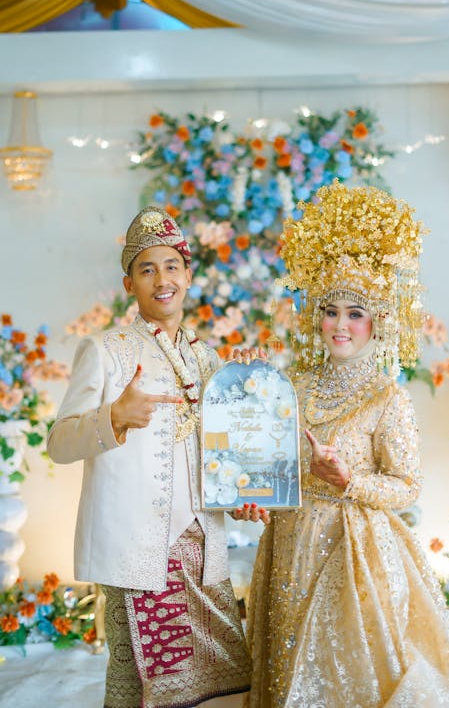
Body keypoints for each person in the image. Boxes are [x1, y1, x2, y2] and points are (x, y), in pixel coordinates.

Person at [244, 180, 449, 708]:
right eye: (330, 310)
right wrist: (254, 487)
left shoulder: (389, 397)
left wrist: (349, 480)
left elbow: (408, 487)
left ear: (377, 322)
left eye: (354, 313)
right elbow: (267, 466)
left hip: (353, 550)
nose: (338, 324)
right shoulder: (292, 385)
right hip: (290, 543)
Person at [47, 207, 268, 708]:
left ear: (188, 275)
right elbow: (59, 441)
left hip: (204, 545)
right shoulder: (106, 350)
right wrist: (114, 418)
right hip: (138, 550)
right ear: (130, 284)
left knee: (229, 679)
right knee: (146, 689)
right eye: (147, 269)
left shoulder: (209, 358)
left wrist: (242, 497)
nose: (161, 279)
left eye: (171, 266)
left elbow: (222, 453)